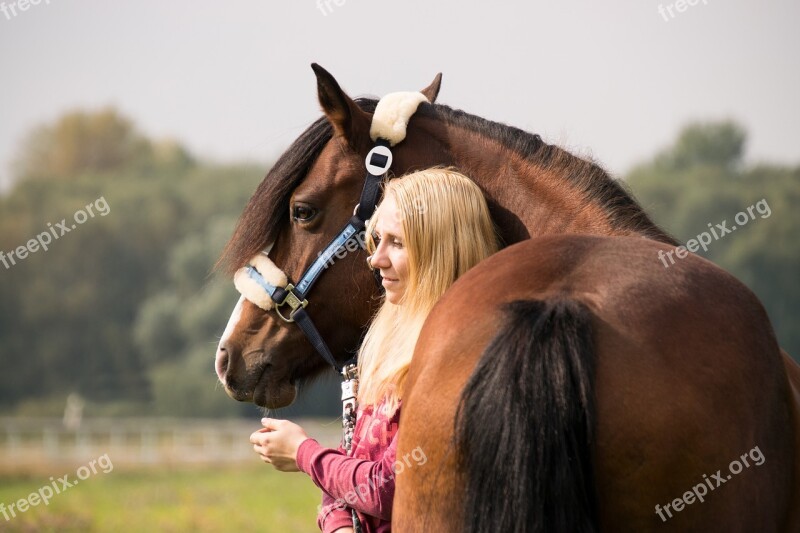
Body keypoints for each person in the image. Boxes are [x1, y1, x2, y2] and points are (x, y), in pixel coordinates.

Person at [249, 168, 500, 533]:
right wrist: (339, 527)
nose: (375, 258)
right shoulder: (387, 340)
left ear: (439, 250)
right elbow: (348, 468)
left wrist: (304, 454)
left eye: (396, 243)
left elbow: (392, 485)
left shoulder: (463, 359)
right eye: (377, 239)